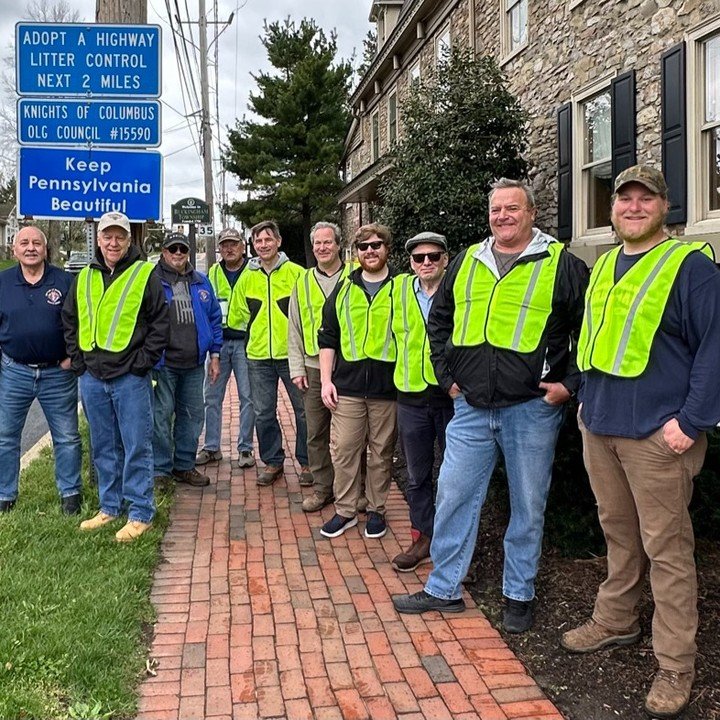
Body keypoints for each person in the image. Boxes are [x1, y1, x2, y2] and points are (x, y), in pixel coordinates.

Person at [392, 178, 588, 634]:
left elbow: (591, 329)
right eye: (496, 209)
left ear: (531, 213)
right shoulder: (466, 261)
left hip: (532, 409)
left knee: (527, 504)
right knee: (454, 495)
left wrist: (570, 383)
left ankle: (519, 593)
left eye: (512, 208)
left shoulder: (562, 265)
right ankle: (443, 589)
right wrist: (448, 376)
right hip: (472, 407)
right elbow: (439, 322)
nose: (502, 216)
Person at [560, 165, 720, 719]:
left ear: (664, 206)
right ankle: (616, 620)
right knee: (618, 534)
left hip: (658, 437)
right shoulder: (605, 264)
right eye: (623, 198)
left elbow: (714, 349)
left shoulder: (691, 268)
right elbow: (594, 339)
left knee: (668, 552)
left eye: (643, 199)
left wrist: (691, 422)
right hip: (600, 427)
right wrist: (583, 399)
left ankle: (675, 662)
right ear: (611, 209)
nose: (632, 206)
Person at [63, 211, 169, 542]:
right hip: (92, 376)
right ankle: (110, 507)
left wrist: (142, 363)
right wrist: (79, 362)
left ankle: (141, 512)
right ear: (98, 239)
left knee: (136, 444)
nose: (113, 242)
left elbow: (159, 324)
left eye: (119, 237)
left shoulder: (144, 273)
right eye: (107, 236)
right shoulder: (84, 276)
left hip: (130, 377)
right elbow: (70, 319)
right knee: (104, 446)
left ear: (129, 240)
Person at [318, 223, 397, 540]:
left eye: (376, 245)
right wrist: (326, 380)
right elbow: (328, 337)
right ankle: (346, 511)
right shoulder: (344, 288)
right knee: (345, 451)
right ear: (356, 252)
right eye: (364, 247)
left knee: (380, 453)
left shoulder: (401, 287)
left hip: (388, 389)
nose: (370, 251)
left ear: (387, 248)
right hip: (347, 387)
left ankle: (376, 510)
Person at [0, 226, 82, 514]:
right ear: (15, 249)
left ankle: (70, 495)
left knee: (67, 437)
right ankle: (5, 495)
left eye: (37, 242)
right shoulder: (3, 282)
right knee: (6, 436)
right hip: (14, 372)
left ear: (46, 249)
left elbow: (80, 323)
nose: (31, 247)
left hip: (58, 374)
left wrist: (73, 356)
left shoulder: (65, 281)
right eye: (24, 243)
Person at [389, 231, 453, 571]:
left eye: (433, 256)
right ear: (411, 262)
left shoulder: (459, 289)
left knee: (455, 476)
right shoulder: (398, 290)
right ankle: (423, 537)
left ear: (445, 258)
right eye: (419, 258)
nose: (426, 262)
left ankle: (454, 545)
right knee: (417, 475)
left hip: (450, 397)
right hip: (411, 396)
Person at [227, 220, 308, 486]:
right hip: (258, 356)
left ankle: (307, 463)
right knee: (263, 412)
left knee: (303, 410)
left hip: (293, 356)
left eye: (267, 240)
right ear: (253, 245)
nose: (263, 245)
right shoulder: (246, 278)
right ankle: (273, 462)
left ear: (279, 241)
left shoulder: (297, 274)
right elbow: (237, 315)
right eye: (258, 241)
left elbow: (309, 314)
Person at [152, 232, 222, 488]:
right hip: (162, 364)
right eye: (173, 249)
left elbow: (215, 318)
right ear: (164, 251)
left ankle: (184, 465)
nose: (178, 253)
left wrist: (215, 354)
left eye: (182, 249)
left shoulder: (201, 282)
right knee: (160, 417)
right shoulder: (152, 281)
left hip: (194, 363)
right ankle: (160, 470)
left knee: (192, 417)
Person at [288, 221, 349, 512]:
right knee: (315, 433)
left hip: (349, 367)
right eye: (317, 243)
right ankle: (323, 489)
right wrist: (297, 368)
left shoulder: (355, 276)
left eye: (328, 242)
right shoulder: (302, 281)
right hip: (313, 367)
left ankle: (352, 490)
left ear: (338, 244)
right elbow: (295, 328)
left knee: (352, 436)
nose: (322, 248)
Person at [197, 227, 256, 469]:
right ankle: (211, 447)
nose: (229, 248)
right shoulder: (212, 273)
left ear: (243, 246)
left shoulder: (253, 271)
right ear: (219, 248)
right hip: (218, 344)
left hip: (245, 343)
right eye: (224, 244)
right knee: (211, 396)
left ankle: (245, 449)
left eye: (234, 244)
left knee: (248, 397)